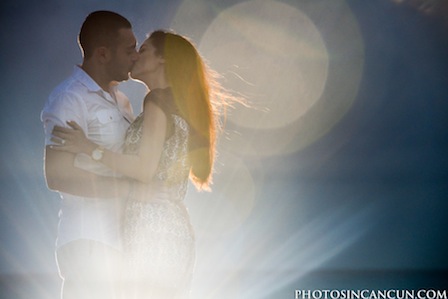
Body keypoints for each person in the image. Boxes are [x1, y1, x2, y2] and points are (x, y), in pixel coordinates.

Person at [51, 30, 239, 299]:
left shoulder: (157, 100)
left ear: (163, 59)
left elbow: (144, 168)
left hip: (151, 227)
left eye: (145, 50)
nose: (136, 55)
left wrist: (88, 148)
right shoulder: (178, 104)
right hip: (173, 226)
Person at [41, 10, 138, 299]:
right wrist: (131, 189)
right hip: (89, 241)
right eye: (129, 49)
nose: (135, 56)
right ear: (103, 54)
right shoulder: (69, 98)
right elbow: (58, 176)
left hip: (122, 243)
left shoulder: (121, 100)